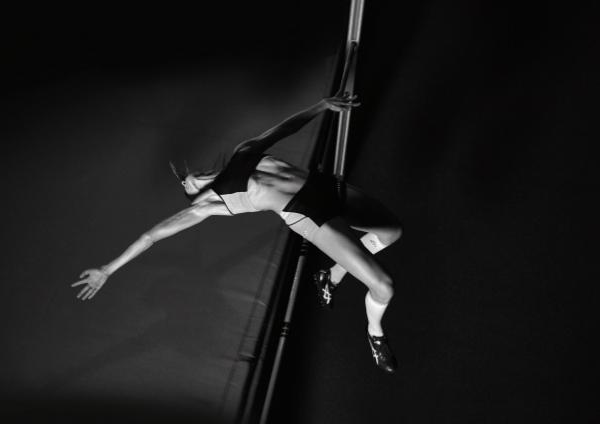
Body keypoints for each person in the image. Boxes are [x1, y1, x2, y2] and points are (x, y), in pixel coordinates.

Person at [71, 93, 402, 373]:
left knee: (390, 232)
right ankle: (375, 332)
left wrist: (322, 105)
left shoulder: (243, 153)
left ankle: (329, 276)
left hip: (325, 188)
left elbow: (284, 128)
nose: (188, 177)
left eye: (188, 174)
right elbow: (151, 236)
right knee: (383, 286)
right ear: (192, 194)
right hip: (309, 215)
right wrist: (107, 269)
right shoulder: (208, 205)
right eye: (185, 183)